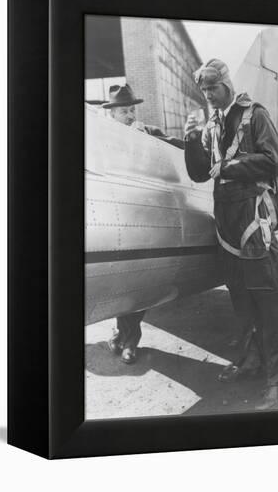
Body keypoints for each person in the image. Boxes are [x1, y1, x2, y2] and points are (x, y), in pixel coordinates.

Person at [184, 59, 278, 410]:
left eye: (213, 87)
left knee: (268, 300)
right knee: (240, 298)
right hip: (226, 220)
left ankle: (276, 381)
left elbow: (275, 161)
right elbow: (201, 175)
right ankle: (251, 361)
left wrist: (229, 165)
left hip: (253, 218)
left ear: (226, 83)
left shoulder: (253, 113)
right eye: (204, 90)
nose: (209, 95)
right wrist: (190, 141)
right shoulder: (211, 124)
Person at [102, 84, 184, 364]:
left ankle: (128, 341)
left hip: (146, 218)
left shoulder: (146, 133)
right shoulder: (102, 139)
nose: (128, 115)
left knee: (136, 287)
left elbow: (177, 145)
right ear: (111, 113)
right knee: (120, 283)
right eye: (123, 110)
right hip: (118, 217)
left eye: (131, 110)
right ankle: (120, 334)